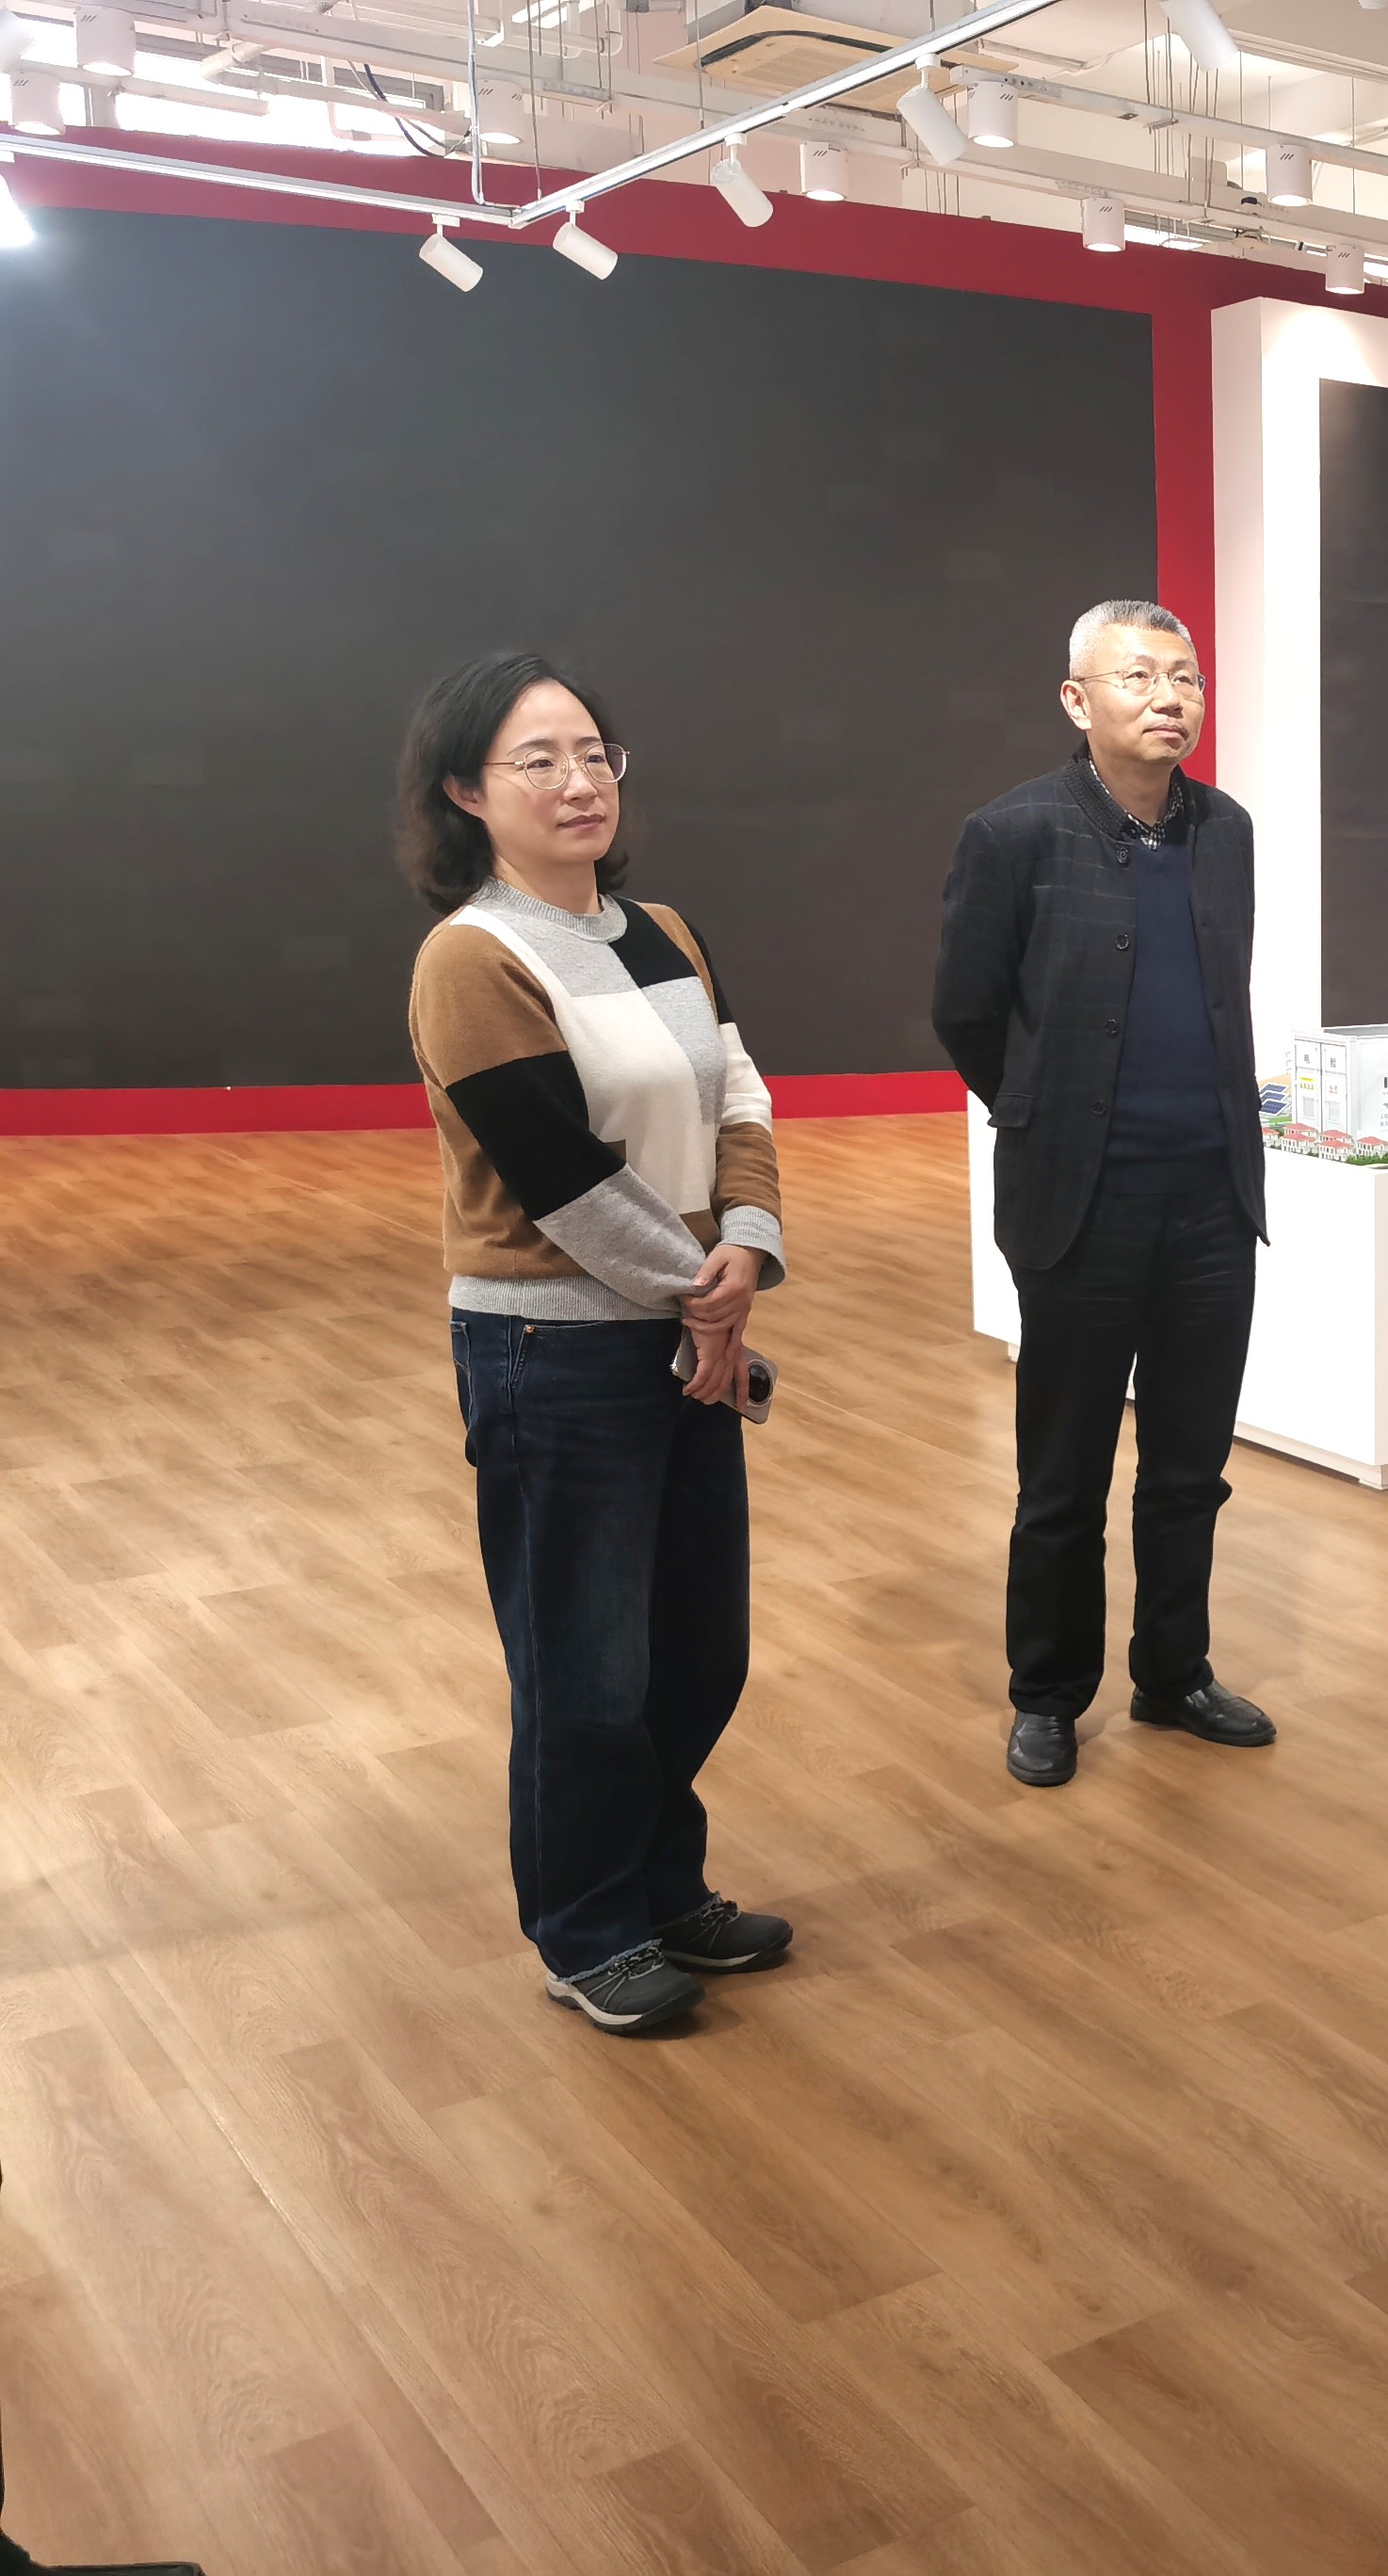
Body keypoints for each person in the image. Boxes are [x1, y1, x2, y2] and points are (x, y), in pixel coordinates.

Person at [402, 651, 794, 2036]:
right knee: (586, 1667)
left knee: (697, 1652)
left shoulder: (663, 930)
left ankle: (660, 1885)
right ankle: (585, 1927)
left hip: (686, 1326)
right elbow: (560, 1181)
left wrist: (747, 1243)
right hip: (554, 1352)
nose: (579, 783)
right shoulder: (472, 958)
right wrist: (706, 1297)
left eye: (593, 754)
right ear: (466, 792)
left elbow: (737, 1091)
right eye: (539, 761)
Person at [933, 600, 1274, 1789]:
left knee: (1190, 1468)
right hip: (1081, 1204)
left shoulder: (1227, 831)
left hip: (1213, 1200)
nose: (1170, 696)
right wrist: (1044, 1111)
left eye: (1186, 676)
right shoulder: (1013, 833)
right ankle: (1047, 1692)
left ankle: (1173, 1672)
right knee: (1064, 1475)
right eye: (1139, 677)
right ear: (1078, 700)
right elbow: (966, 1012)